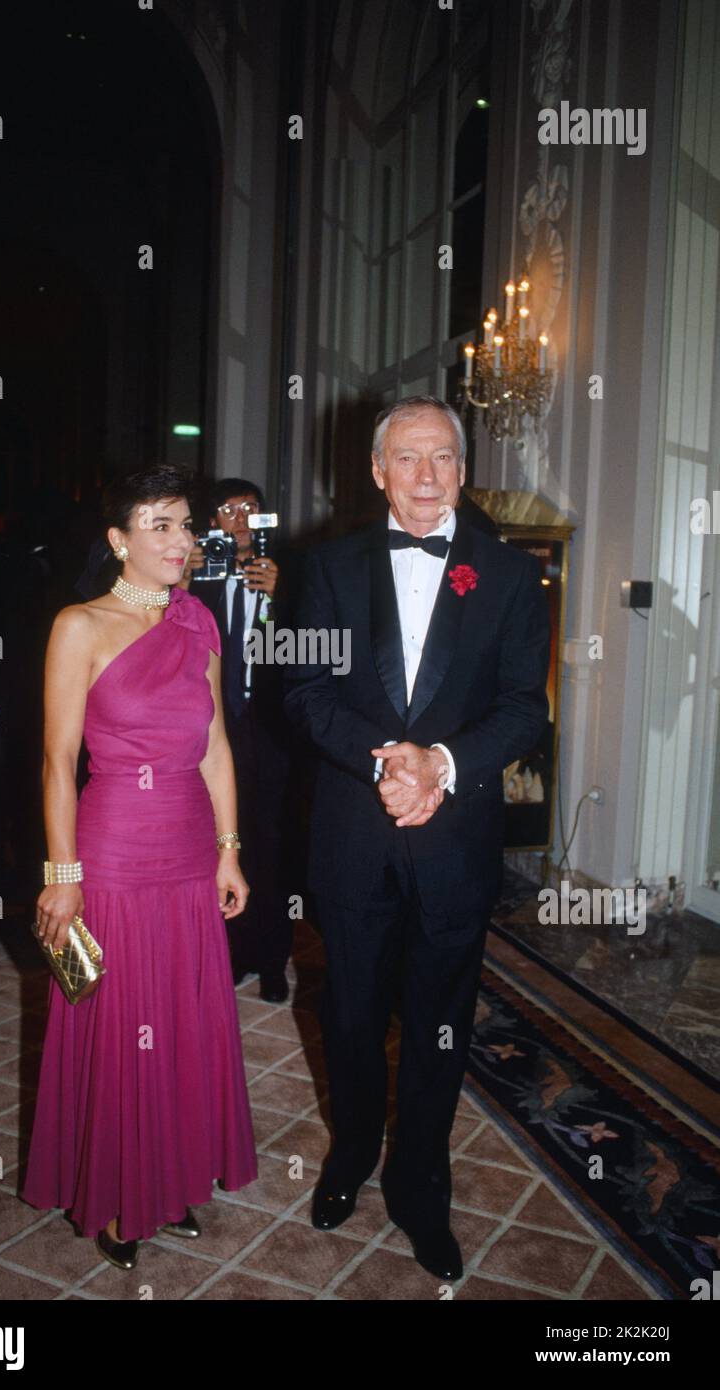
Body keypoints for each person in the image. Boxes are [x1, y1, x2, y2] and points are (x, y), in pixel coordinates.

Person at [282, 396, 550, 1282]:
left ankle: (419, 1191)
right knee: (351, 1014)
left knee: (441, 1024)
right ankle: (351, 1155)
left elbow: (523, 706)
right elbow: (304, 692)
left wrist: (437, 763)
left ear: (462, 470)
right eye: (407, 458)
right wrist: (387, 767)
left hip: (454, 840)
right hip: (355, 835)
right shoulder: (322, 568)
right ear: (375, 470)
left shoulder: (509, 576)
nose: (426, 475)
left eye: (441, 457)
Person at [20, 465, 258, 1270]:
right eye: (158, 525)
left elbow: (218, 746)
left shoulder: (201, 623)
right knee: (122, 1025)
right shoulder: (78, 625)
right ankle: (119, 1197)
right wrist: (63, 876)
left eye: (185, 524)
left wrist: (229, 851)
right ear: (119, 540)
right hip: (115, 846)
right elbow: (56, 763)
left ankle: (173, 1177)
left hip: (189, 847)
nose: (179, 540)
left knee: (182, 1019)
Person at [181, 479, 293, 1003]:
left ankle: (272, 960)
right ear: (211, 523)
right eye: (227, 510)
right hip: (209, 728)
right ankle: (228, 953)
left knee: (269, 848)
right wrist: (182, 576)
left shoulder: (292, 573)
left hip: (269, 729)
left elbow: (320, 646)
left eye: (250, 508)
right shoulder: (196, 578)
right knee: (215, 845)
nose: (240, 518)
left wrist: (283, 594)